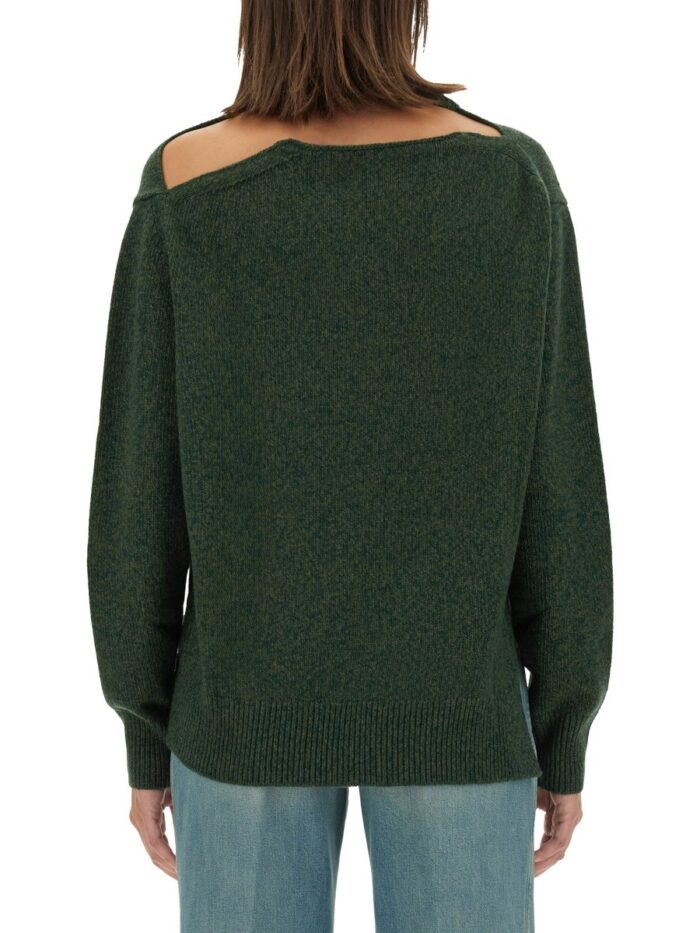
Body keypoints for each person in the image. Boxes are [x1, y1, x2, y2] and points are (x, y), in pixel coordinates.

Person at [86, 1, 614, 930]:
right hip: (458, 713)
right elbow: (560, 482)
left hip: (241, 716)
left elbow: (138, 494)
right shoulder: (510, 181)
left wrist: (146, 726)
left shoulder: (187, 182)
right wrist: (563, 726)